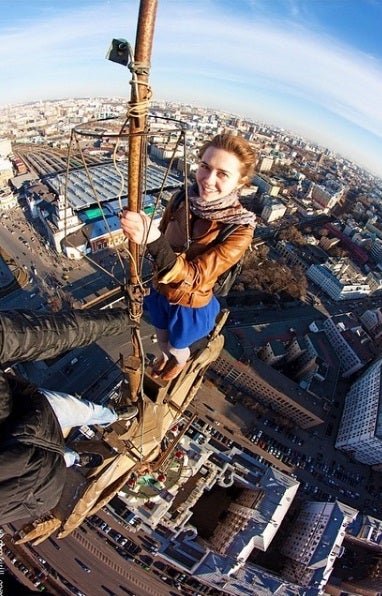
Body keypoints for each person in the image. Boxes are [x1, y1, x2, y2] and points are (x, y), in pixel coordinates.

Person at [120, 133, 257, 381]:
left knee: (175, 346)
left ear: (241, 183)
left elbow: (196, 275)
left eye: (223, 174)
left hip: (189, 303)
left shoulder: (239, 229)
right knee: (161, 338)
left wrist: (152, 240)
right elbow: (161, 232)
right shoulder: (182, 197)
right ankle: (164, 359)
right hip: (160, 287)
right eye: (205, 167)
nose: (208, 180)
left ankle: (178, 362)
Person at [0, 308, 138, 524]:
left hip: (29, 420)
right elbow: (50, 333)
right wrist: (124, 319)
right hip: (36, 478)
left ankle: (109, 417)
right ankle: (82, 449)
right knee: (73, 423)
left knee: (78, 412)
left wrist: (121, 319)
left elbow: (45, 334)